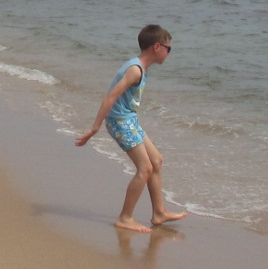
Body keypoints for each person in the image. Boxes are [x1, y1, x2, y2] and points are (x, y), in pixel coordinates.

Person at [75, 24, 187, 233]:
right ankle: (125, 218)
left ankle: (159, 212)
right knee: (145, 168)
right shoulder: (135, 70)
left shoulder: (141, 68)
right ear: (156, 47)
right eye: (168, 49)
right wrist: (94, 128)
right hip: (120, 121)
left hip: (129, 120)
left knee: (156, 160)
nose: (169, 53)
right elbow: (110, 97)